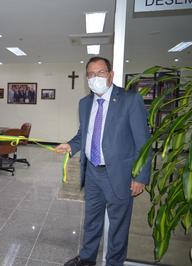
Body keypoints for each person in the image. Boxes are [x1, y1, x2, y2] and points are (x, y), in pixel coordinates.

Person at [55, 57, 151, 266]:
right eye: (90, 74)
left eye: (100, 72)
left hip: (119, 175)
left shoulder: (129, 100)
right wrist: (71, 145)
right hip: (92, 173)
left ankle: (114, 263)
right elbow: (84, 134)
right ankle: (88, 259)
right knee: (91, 221)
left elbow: (143, 142)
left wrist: (141, 176)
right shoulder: (84, 103)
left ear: (111, 75)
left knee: (118, 226)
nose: (95, 78)